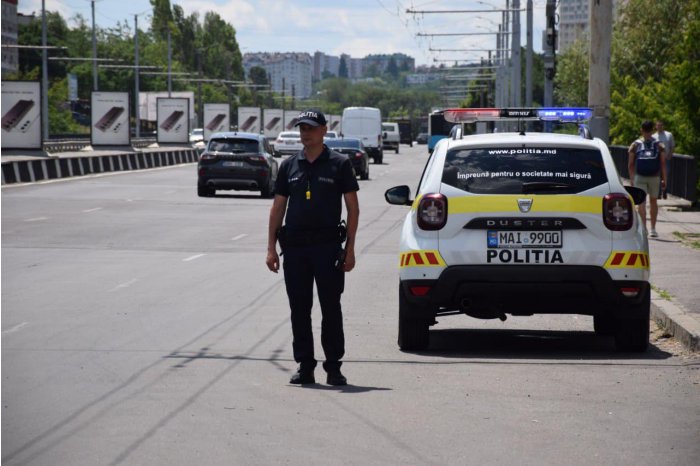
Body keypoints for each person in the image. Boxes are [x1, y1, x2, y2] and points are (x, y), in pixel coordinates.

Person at [266, 109, 360, 386]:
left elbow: (353, 209)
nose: (305, 133)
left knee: (331, 308)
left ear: (323, 130)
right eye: (302, 128)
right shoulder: (289, 166)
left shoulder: (339, 164)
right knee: (299, 309)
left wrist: (350, 249)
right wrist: (270, 248)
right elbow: (278, 208)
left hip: (327, 247)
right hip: (295, 249)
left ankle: (334, 367)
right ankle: (305, 365)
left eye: (310, 128)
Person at [628, 120, 667, 237]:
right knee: (653, 201)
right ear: (653, 130)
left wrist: (632, 179)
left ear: (641, 130)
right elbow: (663, 163)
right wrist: (664, 179)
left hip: (639, 176)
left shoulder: (635, 145)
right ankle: (653, 229)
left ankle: (643, 229)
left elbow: (630, 164)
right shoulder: (659, 145)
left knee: (641, 203)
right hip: (654, 177)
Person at [653, 119, 675, 199]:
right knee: (657, 175)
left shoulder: (669, 135)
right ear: (656, 126)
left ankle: (665, 190)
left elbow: (672, 146)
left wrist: (670, 155)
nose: (659, 127)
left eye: (661, 125)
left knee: (665, 175)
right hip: (657, 159)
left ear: (663, 126)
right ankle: (658, 193)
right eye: (658, 125)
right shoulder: (654, 136)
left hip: (666, 158)